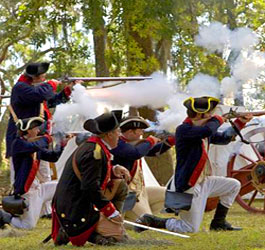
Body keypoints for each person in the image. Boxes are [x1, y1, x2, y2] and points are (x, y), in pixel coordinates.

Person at [135, 96, 252, 233]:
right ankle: (153, 220)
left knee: (234, 185)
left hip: (204, 181)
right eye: (208, 113)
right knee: (189, 228)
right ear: (198, 115)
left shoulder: (201, 130)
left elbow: (224, 138)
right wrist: (219, 119)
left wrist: (239, 122)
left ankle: (219, 222)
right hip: (190, 185)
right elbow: (208, 130)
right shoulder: (184, 130)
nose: (211, 116)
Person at [51, 111, 131, 247]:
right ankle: (85, 233)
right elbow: (90, 187)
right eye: (117, 131)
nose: (120, 135)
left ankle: (105, 226)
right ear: (109, 134)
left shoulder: (96, 147)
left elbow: (91, 175)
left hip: (78, 201)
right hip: (75, 207)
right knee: (119, 239)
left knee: (119, 184)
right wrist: (110, 211)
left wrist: (113, 169)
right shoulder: (94, 153)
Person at [5, 62, 73, 216]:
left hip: (39, 137)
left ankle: (46, 211)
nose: (45, 78)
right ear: (34, 77)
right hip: (22, 138)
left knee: (45, 173)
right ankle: (18, 208)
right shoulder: (20, 88)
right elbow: (40, 94)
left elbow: (51, 100)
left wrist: (68, 91)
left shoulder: (33, 91)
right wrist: (51, 84)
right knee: (20, 174)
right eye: (43, 76)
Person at [0, 116, 68, 229]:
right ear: (28, 130)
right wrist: (48, 138)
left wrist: (62, 144)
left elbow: (53, 157)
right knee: (28, 226)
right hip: (28, 192)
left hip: (39, 188)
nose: (38, 131)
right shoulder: (18, 143)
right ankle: (4, 216)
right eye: (35, 128)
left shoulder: (34, 146)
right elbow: (33, 146)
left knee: (65, 185)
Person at [110, 116, 175, 221]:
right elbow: (135, 153)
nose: (141, 133)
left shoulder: (134, 144)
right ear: (131, 131)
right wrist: (149, 141)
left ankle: (135, 216)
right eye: (140, 131)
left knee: (168, 194)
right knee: (146, 223)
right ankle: (129, 219)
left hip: (139, 191)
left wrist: (170, 141)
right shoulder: (117, 144)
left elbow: (153, 152)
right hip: (127, 193)